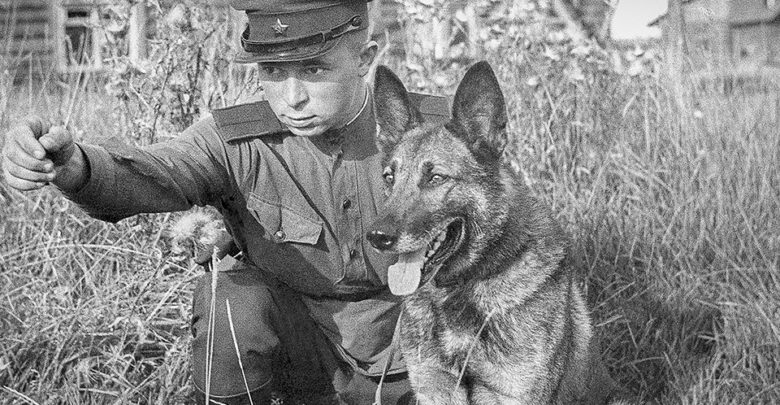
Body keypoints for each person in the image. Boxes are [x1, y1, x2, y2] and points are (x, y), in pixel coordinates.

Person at [2, 1, 452, 403]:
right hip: (307, 352)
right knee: (229, 296)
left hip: (426, 353)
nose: (292, 98)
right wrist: (74, 166)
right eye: (272, 71)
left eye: (314, 70)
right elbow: (157, 172)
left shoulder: (440, 137)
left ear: (366, 59)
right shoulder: (238, 139)